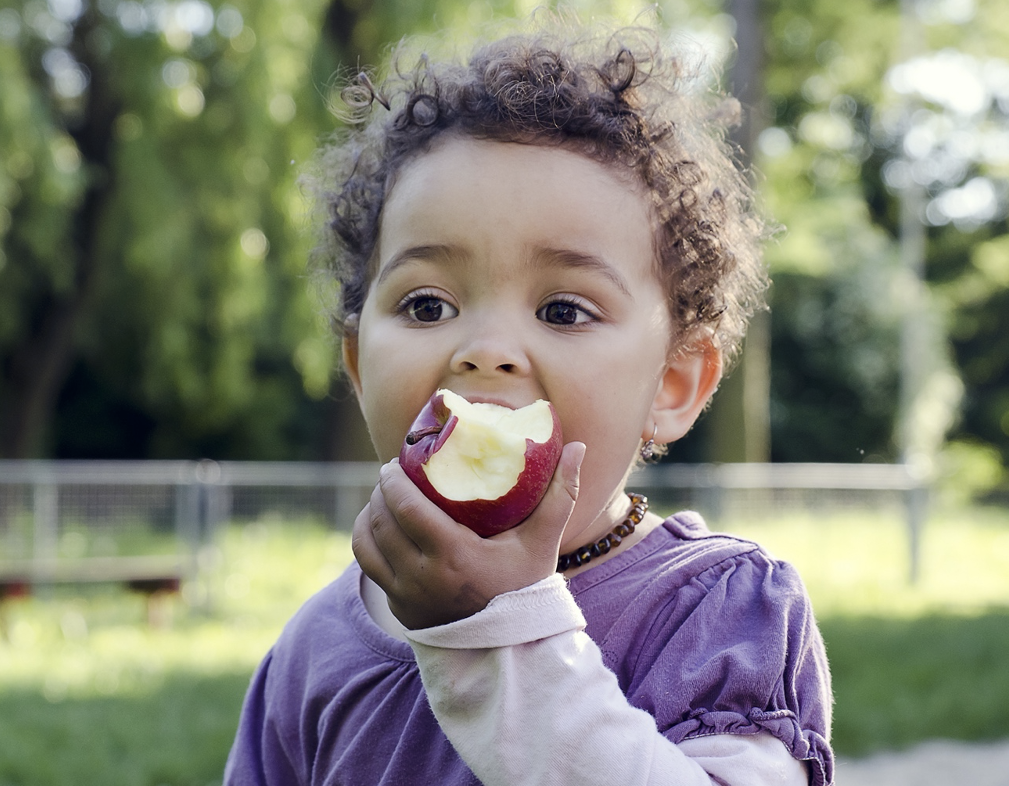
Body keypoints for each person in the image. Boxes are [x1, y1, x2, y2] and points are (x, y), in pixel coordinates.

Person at [225, 15, 833, 786]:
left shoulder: (720, 611)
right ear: (356, 361)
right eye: (426, 305)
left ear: (672, 387)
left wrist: (498, 630)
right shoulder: (315, 648)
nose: (485, 349)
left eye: (563, 311)